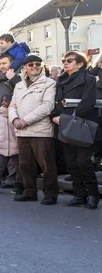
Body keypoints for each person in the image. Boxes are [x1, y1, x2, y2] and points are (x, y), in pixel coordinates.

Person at [52, 51, 99, 209]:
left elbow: (87, 104)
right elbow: (56, 102)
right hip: (65, 124)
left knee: (83, 162)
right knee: (71, 162)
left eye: (69, 61)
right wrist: (55, 116)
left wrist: (64, 118)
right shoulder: (61, 79)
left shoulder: (89, 79)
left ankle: (93, 195)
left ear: (80, 64)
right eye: (64, 60)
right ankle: (79, 195)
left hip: (82, 124)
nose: (65, 63)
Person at [8, 55, 58, 204]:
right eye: (31, 64)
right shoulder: (19, 85)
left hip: (41, 130)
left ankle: (50, 194)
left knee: (46, 164)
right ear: (25, 67)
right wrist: (15, 119)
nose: (34, 66)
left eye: (37, 64)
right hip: (22, 130)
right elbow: (12, 105)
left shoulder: (49, 83)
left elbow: (48, 106)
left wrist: (25, 120)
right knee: (25, 165)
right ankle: (29, 191)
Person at [0, 95, 19, 195]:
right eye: (2, 101)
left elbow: (18, 130)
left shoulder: (16, 115)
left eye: (6, 101)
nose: (3, 103)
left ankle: (19, 186)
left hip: (15, 145)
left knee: (19, 167)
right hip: (3, 146)